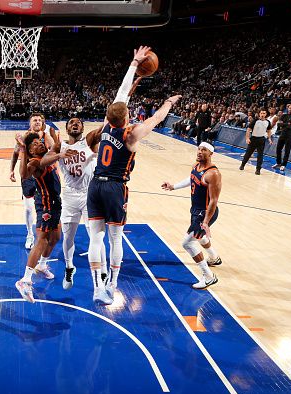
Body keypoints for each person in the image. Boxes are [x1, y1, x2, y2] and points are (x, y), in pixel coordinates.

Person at [87, 45, 182, 305]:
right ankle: (112, 286)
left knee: (95, 237)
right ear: (127, 115)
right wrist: (168, 103)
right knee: (115, 237)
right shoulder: (130, 134)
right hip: (116, 187)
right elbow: (156, 119)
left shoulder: (106, 126)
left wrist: (133, 65)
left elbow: (120, 95)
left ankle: (97, 287)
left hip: (95, 185)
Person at [40, 117, 107, 290]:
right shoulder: (60, 145)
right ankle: (69, 267)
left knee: (95, 236)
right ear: (67, 128)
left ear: (83, 128)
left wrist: (123, 95)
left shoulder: (89, 140)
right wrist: (60, 155)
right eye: (71, 122)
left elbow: (107, 124)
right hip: (69, 196)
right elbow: (42, 162)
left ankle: (103, 271)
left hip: (89, 195)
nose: (75, 124)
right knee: (68, 236)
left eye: (78, 122)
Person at [15, 132, 76, 303]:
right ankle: (25, 280)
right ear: (30, 151)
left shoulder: (47, 155)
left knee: (56, 237)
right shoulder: (35, 162)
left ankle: (41, 265)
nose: (39, 144)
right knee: (41, 240)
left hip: (56, 203)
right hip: (46, 205)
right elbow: (24, 174)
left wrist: (52, 137)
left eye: (39, 141)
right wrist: (22, 150)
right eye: (34, 144)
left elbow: (57, 146)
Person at [161, 142, 221, 289]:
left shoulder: (213, 174)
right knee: (199, 236)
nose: (200, 152)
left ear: (211, 153)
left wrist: (206, 221)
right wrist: (173, 186)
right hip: (196, 210)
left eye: (204, 150)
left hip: (205, 213)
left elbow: (213, 200)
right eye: (199, 149)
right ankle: (214, 258)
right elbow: (191, 179)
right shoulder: (196, 166)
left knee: (187, 243)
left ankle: (208, 277)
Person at [9, 113, 55, 249]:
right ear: (30, 124)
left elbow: (54, 151)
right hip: (28, 175)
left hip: (44, 176)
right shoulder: (24, 138)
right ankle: (30, 234)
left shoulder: (46, 137)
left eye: (40, 120)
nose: (37, 122)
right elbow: (15, 153)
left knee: (47, 206)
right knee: (29, 208)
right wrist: (11, 170)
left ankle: (46, 232)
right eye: (34, 120)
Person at [239, 109, 273, 175]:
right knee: (248, 154)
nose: (262, 114)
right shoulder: (255, 121)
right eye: (261, 113)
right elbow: (248, 129)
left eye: (264, 113)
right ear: (259, 114)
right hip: (253, 139)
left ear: (266, 114)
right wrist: (247, 138)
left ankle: (258, 169)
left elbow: (269, 131)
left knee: (260, 155)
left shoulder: (268, 122)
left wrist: (269, 139)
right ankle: (242, 165)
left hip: (261, 140)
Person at [273, 104, 291, 171]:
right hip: (283, 134)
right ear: (287, 108)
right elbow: (279, 124)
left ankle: (284, 165)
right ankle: (278, 163)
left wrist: (284, 124)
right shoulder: (284, 115)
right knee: (278, 149)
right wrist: (287, 124)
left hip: (290, 135)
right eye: (290, 108)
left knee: (287, 150)